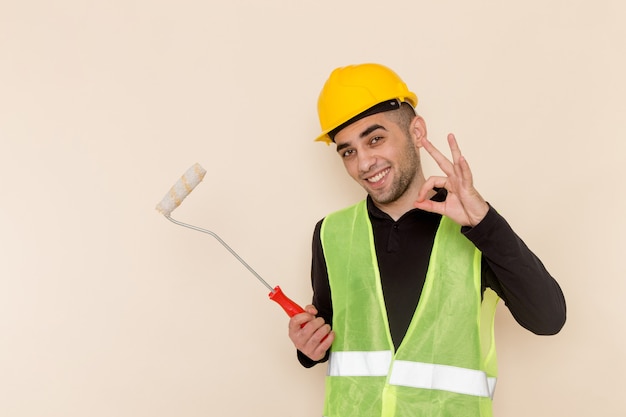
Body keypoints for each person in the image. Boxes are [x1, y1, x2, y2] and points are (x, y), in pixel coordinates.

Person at [287, 63, 566, 417]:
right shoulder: (330, 233)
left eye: (375, 139)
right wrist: (309, 346)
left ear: (416, 131)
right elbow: (333, 333)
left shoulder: (475, 228)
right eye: (348, 151)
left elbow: (548, 319)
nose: (364, 163)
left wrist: (485, 223)